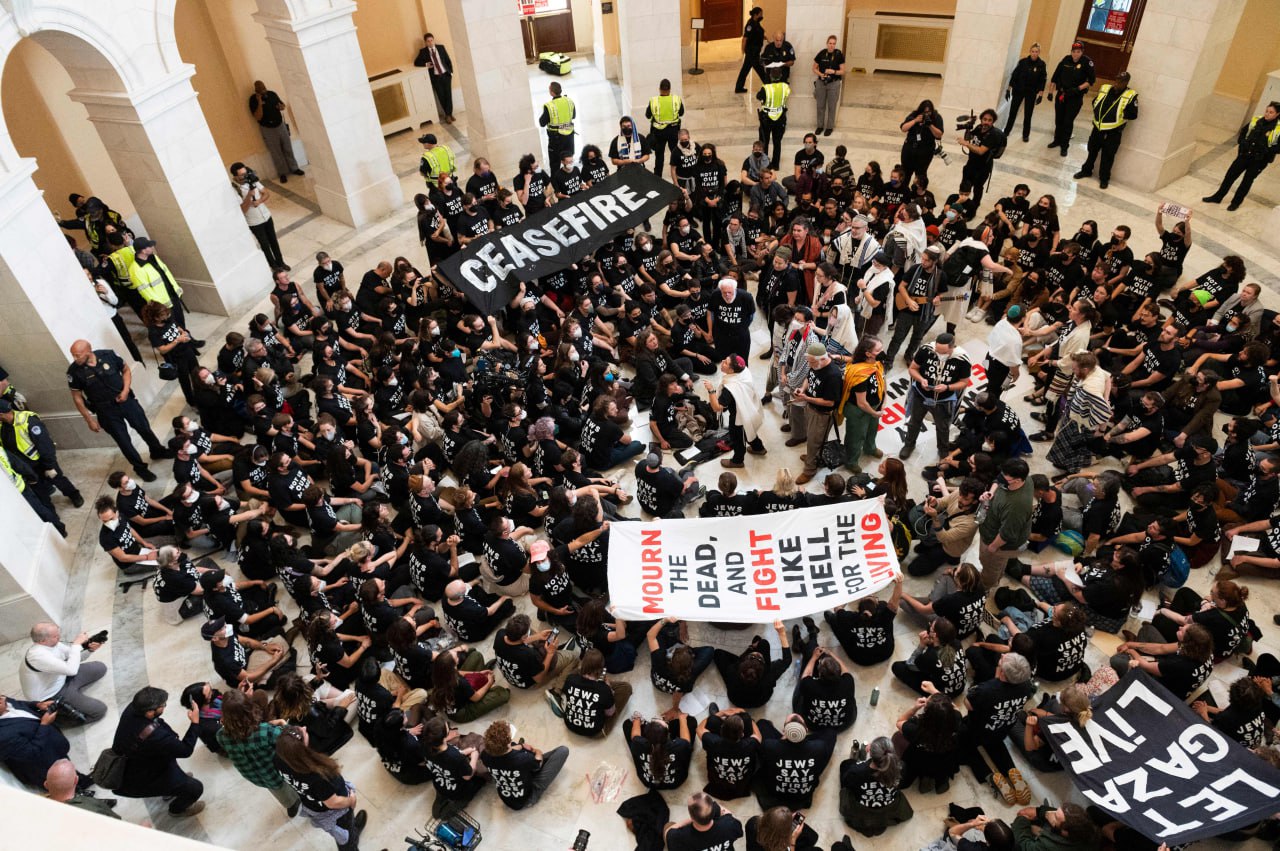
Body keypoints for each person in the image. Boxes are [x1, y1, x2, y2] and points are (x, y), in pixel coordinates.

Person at [66, 341, 173, 483]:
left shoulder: (108, 355)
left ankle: (157, 450)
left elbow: (126, 370)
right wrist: (89, 420)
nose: (75, 358)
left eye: (77, 355)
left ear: (88, 351)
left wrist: (126, 390)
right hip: (105, 410)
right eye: (73, 355)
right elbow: (77, 397)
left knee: (144, 428)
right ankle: (140, 468)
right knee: (124, 442)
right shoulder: (74, 372)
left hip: (125, 400)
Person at [112, 686, 205, 817]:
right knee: (195, 788)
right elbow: (185, 750)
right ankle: (176, 810)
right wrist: (195, 723)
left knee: (171, 759)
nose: (164, 707)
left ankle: (170, 790)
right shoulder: (156, 737)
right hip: (141, 778)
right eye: (162, 705)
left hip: (139, 760)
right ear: (150, 712)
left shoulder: (133, 708)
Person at [275, 725, 368, 849]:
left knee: (346, 828)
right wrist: (351, 800)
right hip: (335, 812)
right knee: (346, 840)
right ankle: (351, 841)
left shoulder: (278, 760)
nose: (304, 727)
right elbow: (333, 803)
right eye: (302, 733)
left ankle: (352, 828)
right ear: (302, 749)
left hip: (312, 804)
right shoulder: (318, 776)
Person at [216, 687, 301, 816]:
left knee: (276, 790)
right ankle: (296, 802)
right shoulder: (265, 731)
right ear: (250, 708)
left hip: (253, 774)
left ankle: (289, 804)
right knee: (287, 786)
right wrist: (283, 723)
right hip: (276, 771)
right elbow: (291, 739)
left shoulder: (221, 735)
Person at [19, 622, 107, 724]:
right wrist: (76, 645)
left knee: (100, 667)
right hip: (52, 693)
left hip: (63, 677)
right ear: (43, 640)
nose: (59, 637)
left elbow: (75, 659)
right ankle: (55, 720)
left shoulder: (53, 644)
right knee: (99, 711)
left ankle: (74, 696)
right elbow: (71, 670)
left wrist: (90, 650)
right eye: (55, 636)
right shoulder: (37, 656)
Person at [0, 398, 82, 507]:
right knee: (39, 489)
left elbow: (45, 445)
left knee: (57, 479)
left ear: (1, 414)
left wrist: (50, 466)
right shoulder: (2, 426)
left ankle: (74, 495)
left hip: (41, 462)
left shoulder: (29, 422)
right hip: (27, 467)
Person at [901, 332, 971, 460]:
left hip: (944, 400)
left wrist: (947, 387)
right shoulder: (926, 350)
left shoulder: (962, 359)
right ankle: (909, 445)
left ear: (952, 347)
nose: (939, 354)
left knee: (943, 427)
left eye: (943, 352)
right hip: (921, 395)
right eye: (937, 350)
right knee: (914, 422)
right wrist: (921, 379)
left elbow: (964, 382)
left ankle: (943, 450)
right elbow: (913, 369)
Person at [1204, 100, 1280, 210]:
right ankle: (1218, 197)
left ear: (1277, 114)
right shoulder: (1256, 120)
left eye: (1271, 112)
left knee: (1246, 182)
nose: (1267, 114)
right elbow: (1243, 132)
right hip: (1244, 155)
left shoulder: (1278, 128)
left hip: (1259, 160)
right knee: (1230, 176)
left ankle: (1236, 202)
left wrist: (1266, 150)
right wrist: (1242, 142)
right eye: (1267, 111)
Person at [479, 718, 569, 810]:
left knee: (518, 750)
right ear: (507, 744)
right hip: (527, 798)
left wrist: (520, 746)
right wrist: (537, 751)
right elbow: (538, 765)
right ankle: (534, 795)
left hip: (506, 797)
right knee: (563, 751)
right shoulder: (523, 759)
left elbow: (505, 756)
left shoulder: (485, 755)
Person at [755, 714, 836, 810]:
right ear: (806, 730)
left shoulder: (770, 746)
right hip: (802, 796)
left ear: (784, 731)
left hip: (775, 792)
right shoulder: (819, 748)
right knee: (830, 732)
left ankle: (788, 738)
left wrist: (782, 741)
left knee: (762, 724)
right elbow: (830, 736)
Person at [1073, 71, 1138, 190]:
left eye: (1120, 82)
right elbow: (1095, 102)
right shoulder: (1106, 89)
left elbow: (1133, 114)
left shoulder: (1131, 95)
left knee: (1108, 156)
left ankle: (1104, 178)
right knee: (1092, 150)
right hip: (1098, 128)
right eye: (1116, 80)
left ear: (1126, 83)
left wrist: (1120, 113)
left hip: (1114, 132)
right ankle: (1086, 171)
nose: (1116, 83)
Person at [839, 736, 913, 836]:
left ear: (870, 752)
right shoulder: (902, 767)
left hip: (863, 806)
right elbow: (904, 784)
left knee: (845, 765)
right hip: (888, 804)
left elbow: (846, 783)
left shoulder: (857, 771)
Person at [978, 459, 1034, 589]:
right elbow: (998, 480)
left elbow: (1007, 534)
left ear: (1017, 480)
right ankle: (998, 573)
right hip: (995, 527)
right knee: (999, 564)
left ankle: (986, 585)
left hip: (999, 544)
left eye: (1006, 477)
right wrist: (991, 492)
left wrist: (992, 548)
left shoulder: (1016, 506)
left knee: (990, 566)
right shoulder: (1027, 480)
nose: (1001, 477)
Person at [792, 341, 842, 485]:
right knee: (812, 438)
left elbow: (830, 402)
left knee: (815, 441)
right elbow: (809, 377)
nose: (811, 365)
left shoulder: (833, 376)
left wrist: (807, 398)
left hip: (822, 415)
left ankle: (809, 470)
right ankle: (811, 457)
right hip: (811, 407)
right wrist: (802, 389)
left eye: (812, 362)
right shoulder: (816, 364)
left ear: (822, 358)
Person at [704, 354, 765, 469]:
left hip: (739, 417)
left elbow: (717, 407)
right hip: (750, 408)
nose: (722, 361)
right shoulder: (744, 371)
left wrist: (711, 390)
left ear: (731, 370)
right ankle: (759, 448)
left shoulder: (731, 388)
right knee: (749, 431)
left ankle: (737, 461)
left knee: (738, 439)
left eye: (726, 362)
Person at [0, 692, 72, 787]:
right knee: (66, 787)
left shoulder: (2, 701)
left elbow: (17, 703)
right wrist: (44, 725)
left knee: (69, 770)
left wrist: (38, 704)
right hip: (44, 768)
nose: (3, 698)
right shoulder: (3, 736)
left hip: (52, 748)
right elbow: (31, 754)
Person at [840, 335, 885, 474]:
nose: (882, 351)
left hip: (874, 407)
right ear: (868, 354)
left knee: (872, 429)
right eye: (879, 350)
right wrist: (875, 412)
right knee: (856, 436)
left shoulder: (877, 364)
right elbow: (862, 402)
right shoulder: (859, 373)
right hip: (859, 410)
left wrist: (883, 403)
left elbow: (883, 381)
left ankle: (870, 448)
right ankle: (851, 461)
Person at [230, 161, 284, 270]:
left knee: (273, 240)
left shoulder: (252, 180)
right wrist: (249, 196)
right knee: (265, 245)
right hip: (254, 222)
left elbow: (266, 193)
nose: (245, 176)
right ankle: (274, 266)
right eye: (242, 175)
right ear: (235, 176)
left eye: (245, 173)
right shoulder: (234, 189)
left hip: (266, 215)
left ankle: (280, 262)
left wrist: (259, 201)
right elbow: (242, 209)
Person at [1047, 41, 1096, 155]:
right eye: (1074, 52)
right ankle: (1056, 140)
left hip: (1075, 96)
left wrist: (1078, 89)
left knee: (1068, 121)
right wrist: (1050, 92)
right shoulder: (1066, 60)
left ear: (1082, 52)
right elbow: (1055, 76)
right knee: (1058, 119)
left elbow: (1091, 80)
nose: (1075, 54)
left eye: (1078, 52)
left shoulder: (1087, 62)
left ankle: (1065, 146)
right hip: (1062, 95)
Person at [249, 80, 303, 182]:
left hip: (280, 125)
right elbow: (257, 117)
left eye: (264, 88)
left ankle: (294, 168)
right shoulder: (253, 100)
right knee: (276, 152)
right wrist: (260, 103)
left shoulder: (272, 94)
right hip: (267, 129)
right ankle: (282, 173)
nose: (264, 91)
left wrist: (281, 107)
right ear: (256, 90)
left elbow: (282, 106)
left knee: (287, 147)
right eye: (261, 90)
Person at [665, 791, 745, 851]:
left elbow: (668, 832)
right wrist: (714, 807)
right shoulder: (730, 825)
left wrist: (692, 820)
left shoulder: (678, 837)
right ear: (713, 811)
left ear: (691, 815)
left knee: (668, 825)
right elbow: (728, 814)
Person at [956, 108, 1004, 207]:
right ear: (981, 119)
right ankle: (961, 204)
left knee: (977, 189)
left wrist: (965, 144)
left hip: (983, 168)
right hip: (971, 164)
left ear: (993, 121)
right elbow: (968, 138)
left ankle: (973, 208)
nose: (986, 122)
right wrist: (969, 127)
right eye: (985, 119)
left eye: (989, 120)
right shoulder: (979, 127)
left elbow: (980, 151)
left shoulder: (993, 135)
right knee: (965, 186)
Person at [1012, 801, 1098, 851]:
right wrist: (1038, 811)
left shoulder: (1049, 846)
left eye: (1055, 817)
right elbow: (1061, 816)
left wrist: (1021, 820)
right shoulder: (1090, 828)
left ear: (1065, 832)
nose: (1049, 813)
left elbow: (1025, 846)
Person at [1004, 43, 1047, 142]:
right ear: (1030, 51)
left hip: (1031, 93)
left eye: (1036, 52)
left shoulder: (1041, 64)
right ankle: (1006, 131)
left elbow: (1042, 80)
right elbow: (1014, 76)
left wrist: (1040, 95)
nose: (1034, 53)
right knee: (1013, 113)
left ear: (1039, 52)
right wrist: (1008, 90)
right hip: (1018, 90)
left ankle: (1025, 135)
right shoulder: (1023, 62)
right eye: (1033, 51)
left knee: (1028, 115)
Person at [900, 100, 944, 189]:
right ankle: (904, 191)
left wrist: (930, 125)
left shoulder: (936, 117)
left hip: (925, 152)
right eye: (924, 112)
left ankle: (918, 193)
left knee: (921, 175)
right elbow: (903, 128)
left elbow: (939, 134)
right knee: (905, 172)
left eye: (929, 112)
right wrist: (915, 120)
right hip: (909, 149)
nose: (926, 114)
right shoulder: (914, 115)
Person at [413, 33, 455, 123]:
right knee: (441, 96)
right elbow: (416, 62)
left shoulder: (441, 48)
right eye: (428, 41)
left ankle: (449, 114)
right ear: (426, 43)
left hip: (445, 75)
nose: (430, 42)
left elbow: (448, 60)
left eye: (431, 40)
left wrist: (450, 72)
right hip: (435, 77)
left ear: (434, 40)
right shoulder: (423, 52)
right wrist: (425, 65)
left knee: (448, 95)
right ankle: (448, 114)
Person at [646, 78, 684, 175]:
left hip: (659, 132)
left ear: (659, 89)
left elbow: (648, 115)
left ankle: (658, 177)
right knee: (675, 152)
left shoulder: (653, 101)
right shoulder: (676, 99)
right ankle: (680, 172)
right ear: (670, 89)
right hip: (673, 131)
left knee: (659, 156)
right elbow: (681, 113)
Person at [756, 68, 791, 171]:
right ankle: (776, 164)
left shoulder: (766, 88)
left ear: (770, 76)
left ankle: (765, 164)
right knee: (777, 142)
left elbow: (759, 97)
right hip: (780, 117)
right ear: (780, 76)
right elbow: (786, 94)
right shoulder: (785, 87)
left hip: (767, 118)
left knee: (764, 142)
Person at [813, 35, 845, 136]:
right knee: (820, 106)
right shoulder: (822, 53)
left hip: (834, 83)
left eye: (833, 44)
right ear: (827, 43)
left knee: (832, 106)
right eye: (830, 43)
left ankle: (829, 127)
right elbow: (814, 68)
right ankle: (820, 126)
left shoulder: (839, 54)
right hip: (821, 82)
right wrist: (821, 74)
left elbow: (843, 71)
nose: (831, 46)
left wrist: (833, 71)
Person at [540, 81, 576, 165]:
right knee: (568, 162)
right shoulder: (569, 101)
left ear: (552, 92)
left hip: (556, 140)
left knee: (555, 164)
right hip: (569, 138)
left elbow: (542, 123)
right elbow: (573, 116)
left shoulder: (549, 106)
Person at [734, 7, 766, 93]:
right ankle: (769, 85)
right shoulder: (750, 25)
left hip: (754, 51)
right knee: (760, 70)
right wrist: (743, 51)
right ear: (756, 15)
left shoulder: (756, 23)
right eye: (761, 14)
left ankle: (739, 87)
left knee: (745, 69)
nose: (762, 16)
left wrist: (765, 38)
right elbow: (744, 39)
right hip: (752, 52)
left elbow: (758, 33)